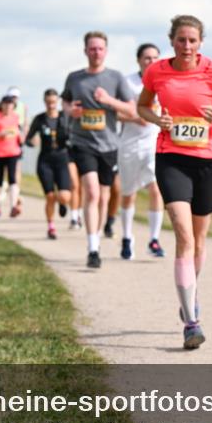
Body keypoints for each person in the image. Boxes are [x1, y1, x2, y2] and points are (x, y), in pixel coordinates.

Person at [138, 15, 212, 349]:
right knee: (183, 235)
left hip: (208, 160)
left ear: (200, 43)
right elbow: (142, 107)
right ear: (172, 41)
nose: (186, 46)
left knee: (199, 240)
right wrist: (158, 118)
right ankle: (192, 322)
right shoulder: (156, 72)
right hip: (171, 158)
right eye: (181, 40)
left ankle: (189, 296)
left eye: (192, 41)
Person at [61, 31, 137, 268]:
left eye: (100, 48)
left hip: (109, 145)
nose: (96, 52)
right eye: (92, 48)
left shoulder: (115, 78)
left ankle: (98, 236)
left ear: (106, 51)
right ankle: (92, 248)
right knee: (91, 192)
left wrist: (108, 101)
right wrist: (69, 110)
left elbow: (132, 110)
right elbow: (65, 102)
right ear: (85, 51)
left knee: (104, 196)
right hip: (83, 143)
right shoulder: (74, 78)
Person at [117, 42, 166, 260]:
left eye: (155, 58)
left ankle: (154, 239)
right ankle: (127, 237)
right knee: (129, 193)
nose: (151, 62)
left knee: (157, 189)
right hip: (129, 143)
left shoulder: (164, 82)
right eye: (147, 58)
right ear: (138, 60)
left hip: (153, 143)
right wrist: (139, 116)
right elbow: (116, 113)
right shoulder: (128, 83)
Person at [26, 89, 73, 239]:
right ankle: (51, 227)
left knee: (64, 196)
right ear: (44, 102)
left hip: (62, 159)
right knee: (50, 196)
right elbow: (28, 138)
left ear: (57, 101)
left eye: (53, 102)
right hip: (45, 160)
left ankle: (63, 203)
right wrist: (32, 142)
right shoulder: (39, 119)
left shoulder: (65, 117)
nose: (51, 105)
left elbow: (74, 135)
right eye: (48, 102)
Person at [0, 96, 23, 217]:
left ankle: (13, 206)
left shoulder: (16, 117)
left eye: (10, 105)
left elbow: (18, 131)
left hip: (13, 152)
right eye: (6, 104)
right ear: (2, 105)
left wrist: (21, 138)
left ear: (13, 106)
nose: (8, 107)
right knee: (0, 179)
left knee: (13, 178)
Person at [6, 86, 28, 210]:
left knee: (16, 167)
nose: (13, 99)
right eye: (12, 96)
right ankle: (10, 187)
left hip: (17, 137)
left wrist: (24, 135)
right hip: (5, 140)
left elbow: (24, 123)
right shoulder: (3, 106)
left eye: (15, 97)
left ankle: (16, 190)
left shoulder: (23, 106)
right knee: (7, 169)